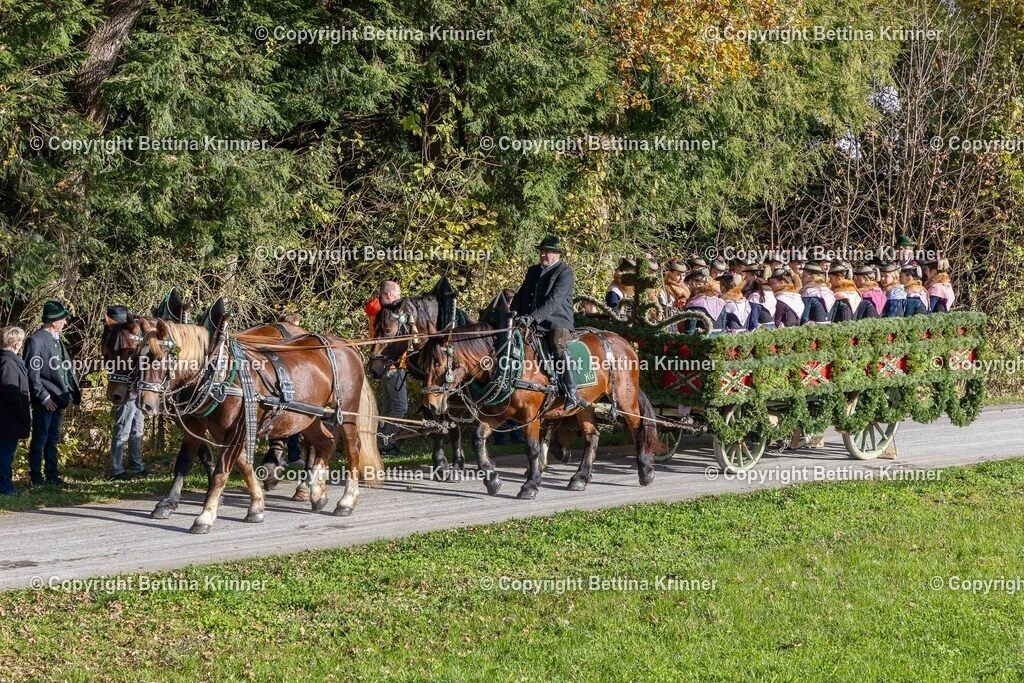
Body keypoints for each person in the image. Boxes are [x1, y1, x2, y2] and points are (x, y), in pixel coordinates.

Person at [512, 235, 588, 411]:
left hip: (557, 321)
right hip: (530, 320)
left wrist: (532, 318)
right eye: (542, 252)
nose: (543, 255)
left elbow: (554, 301)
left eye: (547, 252)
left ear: (556, 254)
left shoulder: (565, 272)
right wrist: (513, 314)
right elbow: (522, 294)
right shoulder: (533, 271)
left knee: (557, 344)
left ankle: (572, 392)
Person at [22, 300, 80, 486]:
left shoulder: (57, 340)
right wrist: (44, 397)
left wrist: (69, 393)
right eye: (63, 319)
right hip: (45, 400)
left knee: (53, 439)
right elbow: (32, 374)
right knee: (40, 439)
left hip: (60, 399)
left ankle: (52, 476)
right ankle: (36, 477)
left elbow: (65, 369)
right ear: (54, 321)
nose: (65, 323)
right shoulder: (36, 340)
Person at [366, 281, 408, 456]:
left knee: (388, 408)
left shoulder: (376, 310)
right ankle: (385, 442)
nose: (400, 299)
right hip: (392, 364)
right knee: (400, 407)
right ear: (390, 295)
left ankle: (384, 443)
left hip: (384, 365)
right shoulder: (386, 313)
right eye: (398, 295)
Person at [106, 306, 147, 480]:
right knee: (122, 426)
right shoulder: (115, 337)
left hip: (137, 384)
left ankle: (137, 465)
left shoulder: (128, 333)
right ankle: (116, 468)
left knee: (137, 427)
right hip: (124, 386)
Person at [0, 327, 30, 495]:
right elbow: (10, 392)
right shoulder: (8, 363)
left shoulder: (6, 360)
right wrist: (21, 412)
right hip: (8, 418)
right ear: (17, 343)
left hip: (7, 418)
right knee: (5, 453)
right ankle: (4, 488)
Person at [684, 268, 726, 333]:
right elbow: (723, 329)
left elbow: (689, 333)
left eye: (689, 282)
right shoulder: (720, 302)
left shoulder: (694, 304)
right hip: (720, 341)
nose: (689, 284)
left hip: (701, 342)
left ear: (694, 283)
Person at [744, 263, 776, 330]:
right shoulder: (770, 292)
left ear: (754, 276)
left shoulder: (756, 296)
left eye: (747, 276)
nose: (745, 279)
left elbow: (753, 320)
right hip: (772, 328)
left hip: (761, 331)